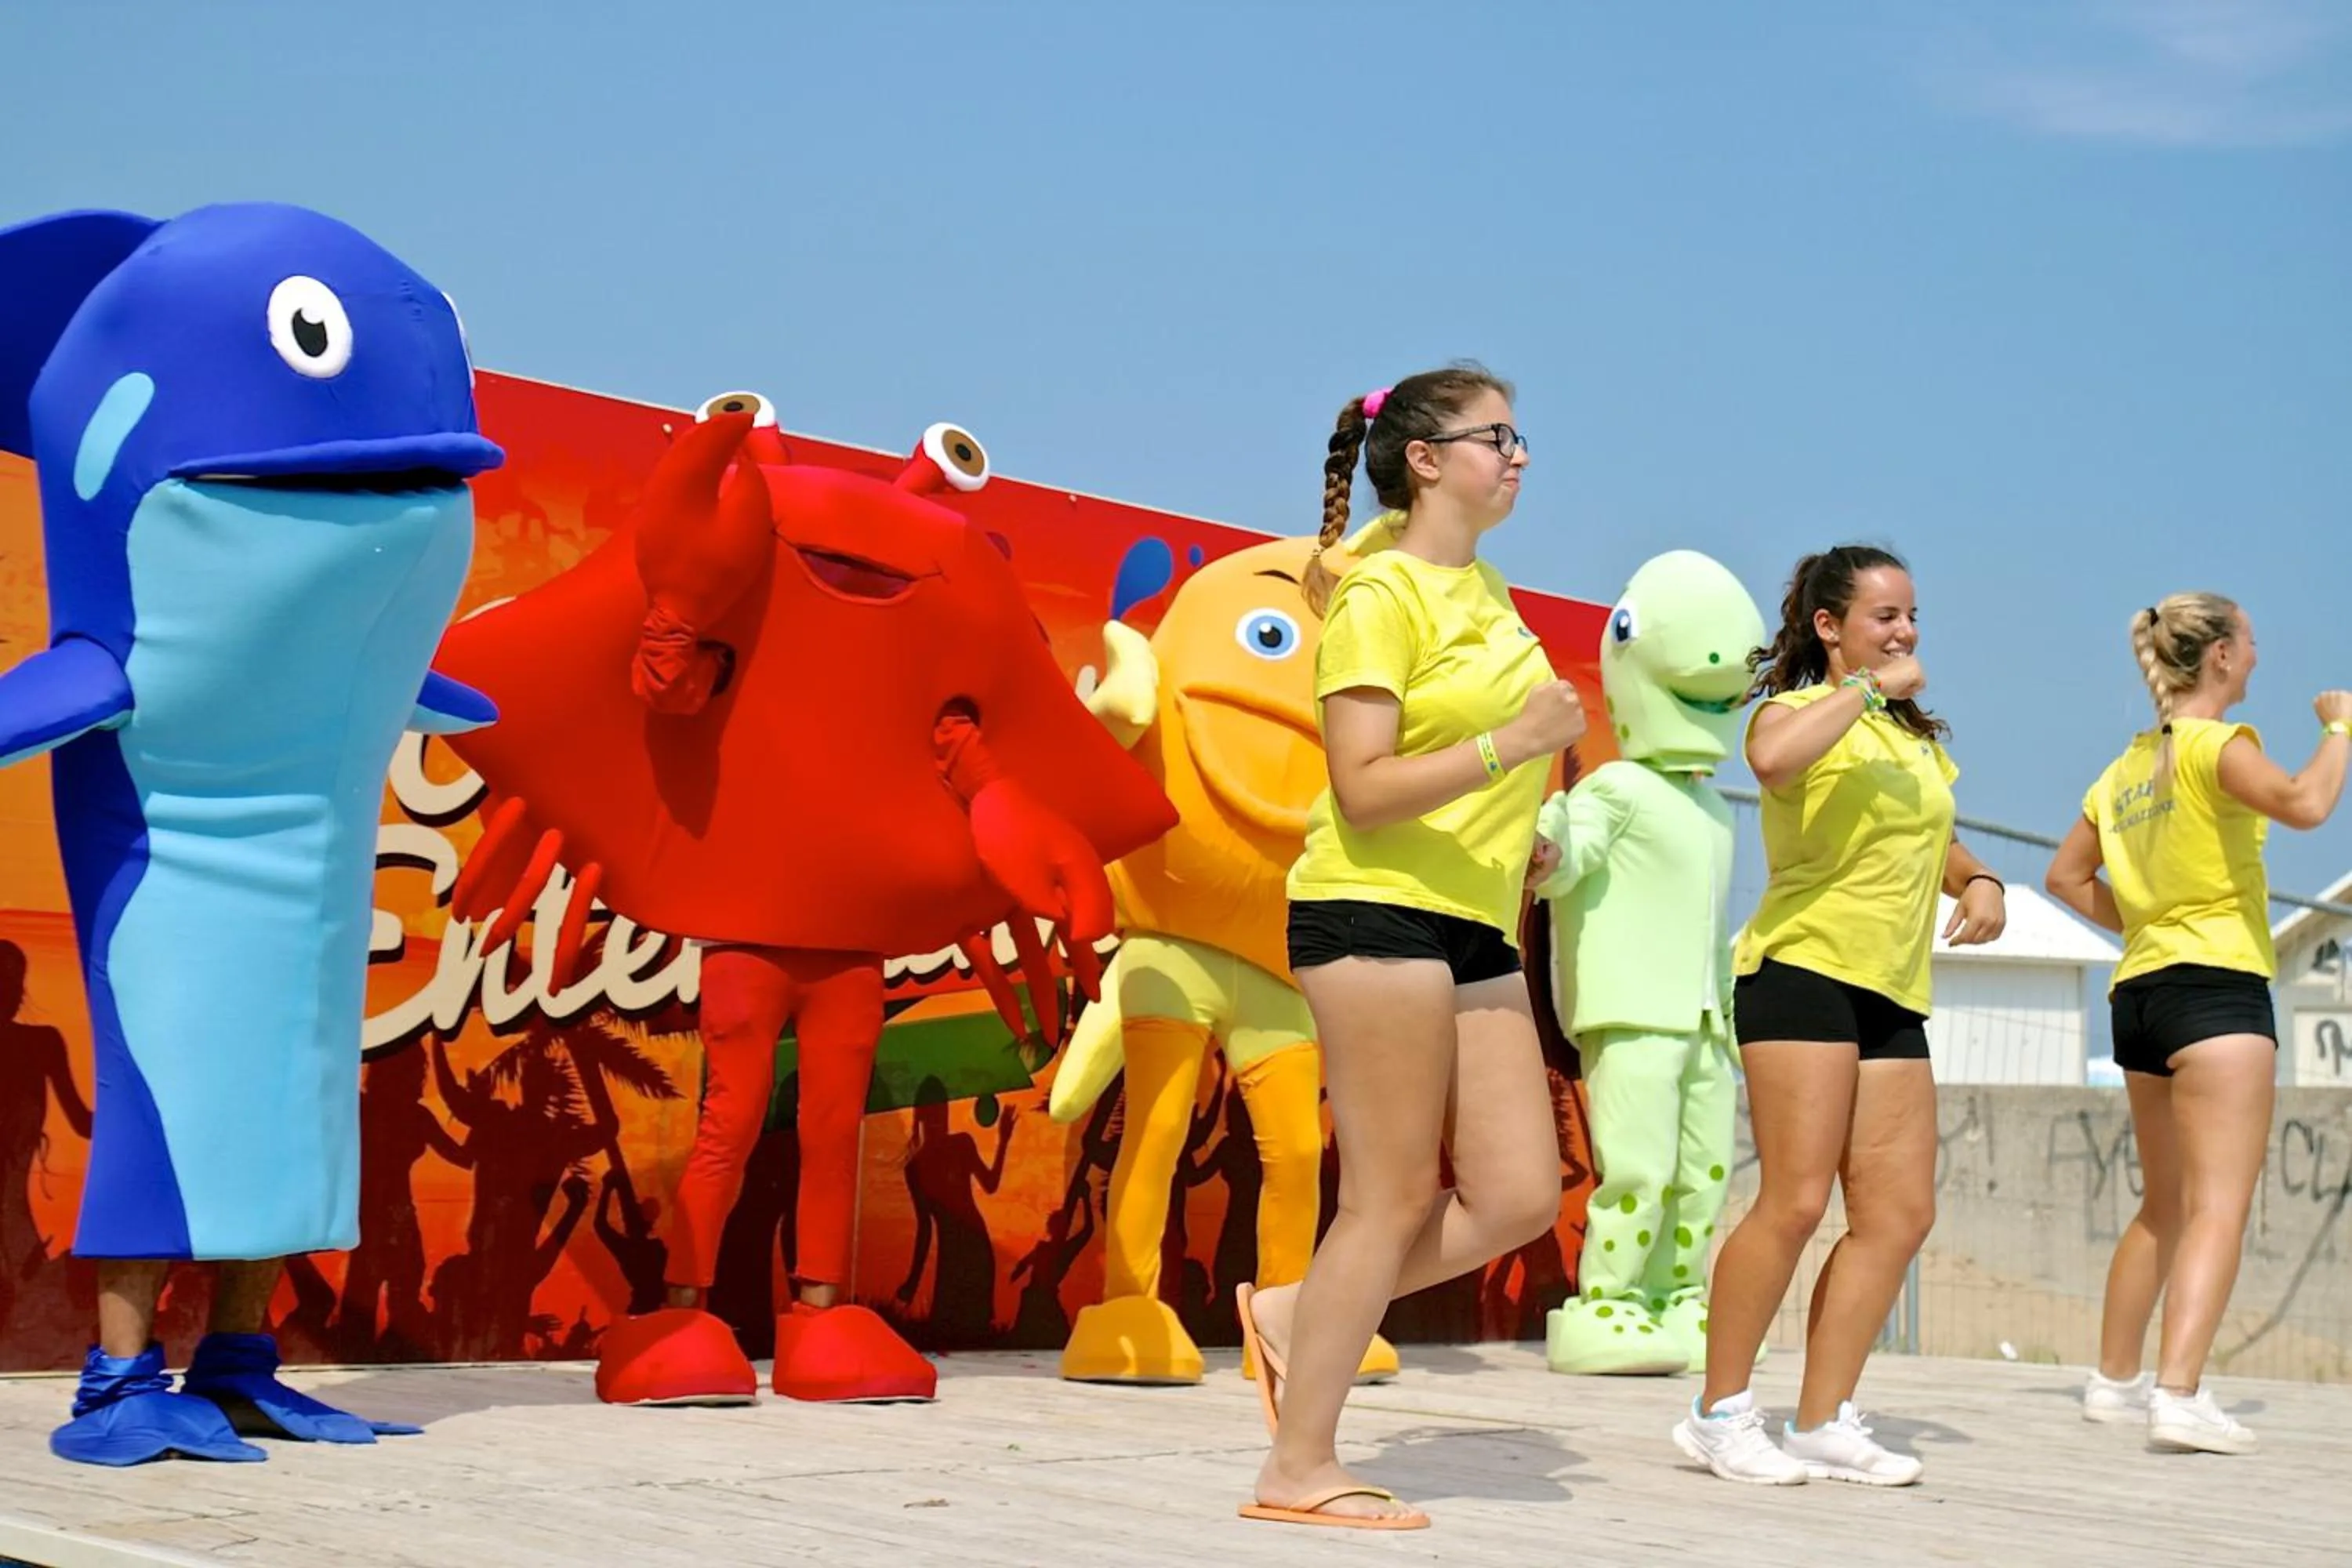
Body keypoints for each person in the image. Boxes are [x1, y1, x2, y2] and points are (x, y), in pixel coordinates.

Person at [1234, 364, 1583, 1531]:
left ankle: (1297, 1314)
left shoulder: (1487, 590)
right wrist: (1511, 747)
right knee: (1386, 1198)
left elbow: (1477, 761)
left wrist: (1518, 830)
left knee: (1523, 1195)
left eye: (1521, 436)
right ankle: (1297, 1467)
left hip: (1473, 923)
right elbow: (1364, 787)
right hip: (1370, 906)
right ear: (1427, 459)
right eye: (1498, 436)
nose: (1521, 454)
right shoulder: (1383, 595)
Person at [1674, 544, 2005, 1489]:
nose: (1904, 632)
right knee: (1796, 1198)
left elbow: (1931, 827)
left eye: (1911, 617)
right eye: (1883, 617)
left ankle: (1821, 1418)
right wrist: (1867, 690)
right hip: (1800, 973)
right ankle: (1719, 1411)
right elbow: (1773, 762)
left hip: (1890, 989)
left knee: (1899, 1212)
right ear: (1830, 627)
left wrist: (1978, 876)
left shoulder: (1910, 738)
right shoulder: (1797, 712)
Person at [2045, 594, 2350, 1454]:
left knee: (2166, 1203)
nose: (2259, 652)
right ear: (2218, 655)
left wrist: (2148, 918)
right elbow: (2305, 804)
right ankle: (2177, 1394)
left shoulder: (2126, 767)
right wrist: (2341, 732)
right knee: (2219, 1204)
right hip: (2217, 991)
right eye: (2250, 639)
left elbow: (2066, 878)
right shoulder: (2221, 747)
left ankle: (2113, 1383)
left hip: (2141, 994)